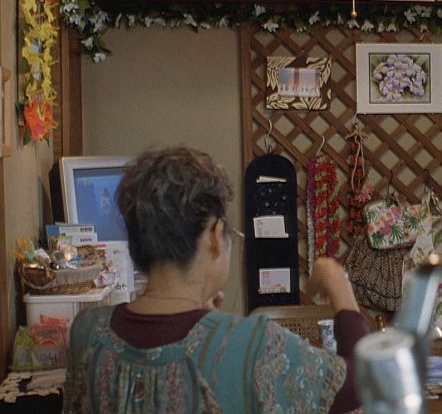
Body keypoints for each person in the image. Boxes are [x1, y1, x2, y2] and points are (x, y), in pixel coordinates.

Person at [63, 146, 369, 414]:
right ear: (214, 236)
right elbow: (365, 380)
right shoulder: (253, 345)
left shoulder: (86, 332)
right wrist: (338, 284)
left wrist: (205, 318)